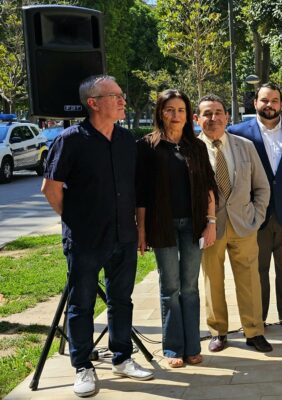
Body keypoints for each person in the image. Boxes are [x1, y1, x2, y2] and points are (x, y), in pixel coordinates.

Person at [41, 75, 154, 398]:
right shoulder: (70, 140)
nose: (122, 101)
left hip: (124, 236)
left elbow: (135, 190)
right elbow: (50, 189)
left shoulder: (125, 140)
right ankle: (83, 367)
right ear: (93, 102)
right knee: (82, 304)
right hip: (85, 240)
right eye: (115, 96)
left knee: (122, 301)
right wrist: (76, 219)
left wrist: (138, 228)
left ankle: (122, 357)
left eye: (121, 96)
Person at [135, 89, 217, 368]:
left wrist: (211, 222)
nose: (175, 115)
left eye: (181, 110)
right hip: (162, 226)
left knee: (190, 287)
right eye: (169, 109)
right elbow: (142, 194)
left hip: (193, 225)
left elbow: (209, 187)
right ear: (160, 112)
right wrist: (142, 232)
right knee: (170, 287)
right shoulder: (148, 147)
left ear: (187, 114)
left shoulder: (197, 147)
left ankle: (192, 346)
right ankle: (173, 349)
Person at [228, 83, 282, 332]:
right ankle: (258, 317)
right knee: (257, 271)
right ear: (255, 102)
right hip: (254, 215)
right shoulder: (237, 133)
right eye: (265, 100)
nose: (270, 105)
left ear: (281, 104)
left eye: (275, 100)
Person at [195, 94, 272, 352]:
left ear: (227, 117)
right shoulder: (192, 150)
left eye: (218, 112)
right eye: (207, 114)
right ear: (197, 119)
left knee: (250, 279)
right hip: (209, 228)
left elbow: (262, 186)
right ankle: (218, 332)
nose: (213, 118)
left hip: (244, 225)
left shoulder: (245, 146)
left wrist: (256, 216)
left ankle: (254, 331)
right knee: (212, 280)